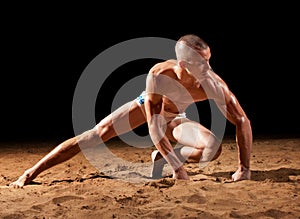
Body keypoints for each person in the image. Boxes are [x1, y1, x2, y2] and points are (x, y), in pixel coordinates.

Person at [9, 34, 252, 188]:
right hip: (145, 108)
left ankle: (166, 157)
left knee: (213, 149)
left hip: (177, 117)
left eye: (209, 60)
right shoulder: (159, 75)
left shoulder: (212, 83)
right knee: (93, 136)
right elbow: (154, 125)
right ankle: (31, 173)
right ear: (183, 65)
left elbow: (241, 120)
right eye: (202, 63)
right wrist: (179, 172)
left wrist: (244, 168)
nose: (208, 67)